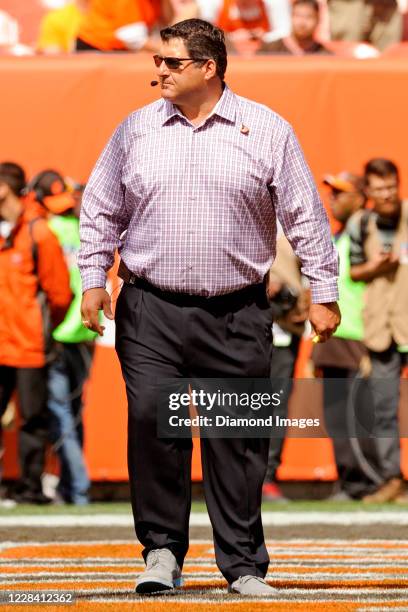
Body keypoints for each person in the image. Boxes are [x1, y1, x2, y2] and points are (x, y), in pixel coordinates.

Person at [79, 18, 340, 596]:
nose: (160, 72)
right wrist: (93, 277)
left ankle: (243, 565)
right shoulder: (135, 131)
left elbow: (305, 217)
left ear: (209, 67)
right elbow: (100, 208)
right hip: (150, 307)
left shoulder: (267, 129)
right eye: (158, 61)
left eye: (172, 63)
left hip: (237, 312)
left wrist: (325, 292)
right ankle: (162, 552)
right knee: (152, 421)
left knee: (236, 439)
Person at [0, 162, 72, 504]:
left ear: (4, 190)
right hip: (3, 344)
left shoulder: (38, 232)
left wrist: (43, 329)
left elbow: (59, 293)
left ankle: (30, 488)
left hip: (29, 344)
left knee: (32, 420)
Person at [312, 172, 382, 500]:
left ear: (360, 195)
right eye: (331, 193)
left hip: (358, 337)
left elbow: (377, 285)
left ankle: (372, 482)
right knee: (337, 418)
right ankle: (349, 482)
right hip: (333, 338)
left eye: (341, 193)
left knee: (360, 417)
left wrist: (374, 341)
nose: (333, 199)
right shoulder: (338, 235)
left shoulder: (368, 228)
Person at [31, 171, 96, 505]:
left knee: (61, 413)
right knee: (74, 411)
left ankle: (78, 488)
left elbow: (52, 291)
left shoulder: (46, 230)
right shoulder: (83, 228)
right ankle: (73, 486)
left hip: (57, 332)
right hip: (85, 331)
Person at [347, 158, 408, 503]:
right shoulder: (360, 224)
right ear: (368, 190)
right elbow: (354, 272)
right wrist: (377, 266)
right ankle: (392, 479)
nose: (386, 193)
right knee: (384, 408)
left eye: (391, 186)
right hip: (381, 328)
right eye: (379, 187)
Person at [263, 233, 310, 502]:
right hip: (236, 322)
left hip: (282, 327)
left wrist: (296, 291)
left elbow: (316, 264)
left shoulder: (295, 218)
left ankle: (266, 477)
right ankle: (236, 478)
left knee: (275, 405)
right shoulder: (233, 205)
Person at [195, 0, 291, 53]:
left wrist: (264, 37)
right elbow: (203, 32)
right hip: (227, 55)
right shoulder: (213, 3)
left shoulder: (275, 3)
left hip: (265, 55)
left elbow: (285, 31)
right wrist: (230, 37)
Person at [258, 0, 332, 55]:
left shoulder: (323, 54)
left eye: (309, 17)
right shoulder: (270, 49)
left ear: (318, 20)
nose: (302, 22)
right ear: (290, 17)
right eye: (298, 15)